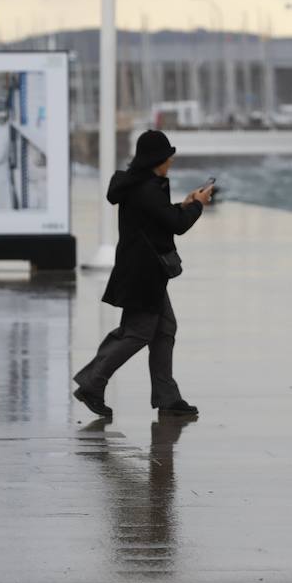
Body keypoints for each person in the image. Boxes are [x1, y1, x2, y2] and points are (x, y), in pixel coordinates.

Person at [73, 130, 214, 419]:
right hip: (143, 273)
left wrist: (185, 205)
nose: (171, 161)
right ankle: (91, 383)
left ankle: (167, 397)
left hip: (144, 270)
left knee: (164, 329)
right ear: (156, 160)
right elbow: (177, 225)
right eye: (167, 157)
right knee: (137, 333)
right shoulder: (147, 187)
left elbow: (160, 217)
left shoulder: (141, 184)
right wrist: (198, 205)